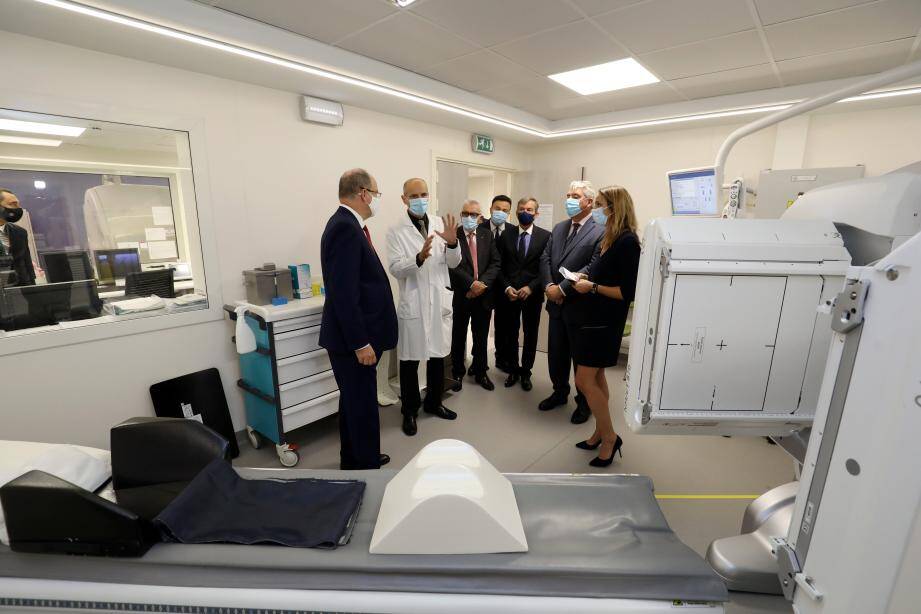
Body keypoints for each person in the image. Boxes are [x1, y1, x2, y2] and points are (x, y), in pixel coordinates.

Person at [319, 169, 398, 470]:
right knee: (362, 405)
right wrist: (361, 342)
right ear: (364, 193)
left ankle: (353, 458)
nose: (377, 199)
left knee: (353, 402)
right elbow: (343, 294)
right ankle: (364, 468)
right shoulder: (345, 228)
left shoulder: (351, 224)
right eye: (376, 193)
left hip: (356, 337)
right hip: (353, 341)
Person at [566, 185, 641, 467]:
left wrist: (592, 287)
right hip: (591, 318)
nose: (594, 208)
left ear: (614, 207)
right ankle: (599, 431)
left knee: (583, 380)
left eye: (599, 204)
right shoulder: (608, 238)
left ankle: (610, 437)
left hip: (605, 323)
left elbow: (627, 291)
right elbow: (599, 271)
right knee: (595, 378)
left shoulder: (627, 242)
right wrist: (581, 278)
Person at [386, 178, 460, 437]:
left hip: (438, 300)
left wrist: (452, 244)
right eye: (414, 195)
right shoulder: (396, 230)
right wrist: (418, 258)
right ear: (404, 199)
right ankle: (409, 410)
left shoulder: (440, 224)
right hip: (414, 301)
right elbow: (395, 268)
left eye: (424, 193)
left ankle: (435, 402)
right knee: (409, 360)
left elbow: (452, 263)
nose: (420, 198)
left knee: (438, 355)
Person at [539, 180, 604, 424]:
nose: (569, 199)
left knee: (580, 358)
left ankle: (584, 402)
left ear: (589, 201)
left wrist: (563, 290)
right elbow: (545, 258)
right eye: (567, 194)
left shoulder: (600, 229)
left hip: (579, 305)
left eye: (575, 195)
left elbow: (593, 266)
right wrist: (548, 286)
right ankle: (559, 392)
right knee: (556, 353)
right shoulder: (559, 227)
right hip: (555, 304)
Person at [496, 197, 550, 391]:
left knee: (530, 334)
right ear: (516, 212)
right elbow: (499, 266)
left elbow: (545, 268)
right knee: (510, 333)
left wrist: (532, 287)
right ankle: (512, 369)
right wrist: (506, 287)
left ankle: (526, 371)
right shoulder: (506, 235)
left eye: (529, 209)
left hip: (532, 295)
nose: (525, 211)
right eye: (521, 209)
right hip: (510, 294)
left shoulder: (546, 237)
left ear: (536, 213)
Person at [450, 199, 500, 392]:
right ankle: (457, 371)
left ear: (480, 217)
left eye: (473, 214)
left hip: (483, 296)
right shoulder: (453, 235)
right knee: (458, 335)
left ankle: (480, 371)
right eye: (465, 214)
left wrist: (482, 284)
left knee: (481, 336)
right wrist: (471, 284)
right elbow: (453, 266)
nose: (469, 218)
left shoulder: (487, 235)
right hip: (462, 295)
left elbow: (495, 262)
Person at [485, 195, 513, 372]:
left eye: (505, 210)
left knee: (503, 325)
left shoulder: (513, 231)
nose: (500, 213)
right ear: (490, 209)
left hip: (505, 286)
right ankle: (478, 362)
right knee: (480, 326)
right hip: (484, 285)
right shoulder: (479, 228)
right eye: (497, 208)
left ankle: (501, 358)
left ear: (509, 213)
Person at [0, 188, 36, 286]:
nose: (18, 209)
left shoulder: (20, 233)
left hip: (17, 290)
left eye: (18, 204)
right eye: (13, 204)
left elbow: (27, 265)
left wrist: (32, 293)